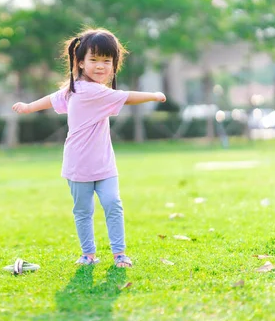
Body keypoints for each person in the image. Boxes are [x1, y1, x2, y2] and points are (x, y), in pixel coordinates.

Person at [12, 28, 166, 268]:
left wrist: (29, 107)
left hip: (104, 164)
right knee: (84, 211)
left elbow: (53, 99)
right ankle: (89, 255)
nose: (101, 66)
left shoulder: (85, 90)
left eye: (107, 61)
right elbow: (126, 96)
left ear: (114, 64)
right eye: (94, 60)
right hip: (78, 166)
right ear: (81, 63)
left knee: (112, 203)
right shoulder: (85, 91)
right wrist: (154, 95)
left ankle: (119, 254)